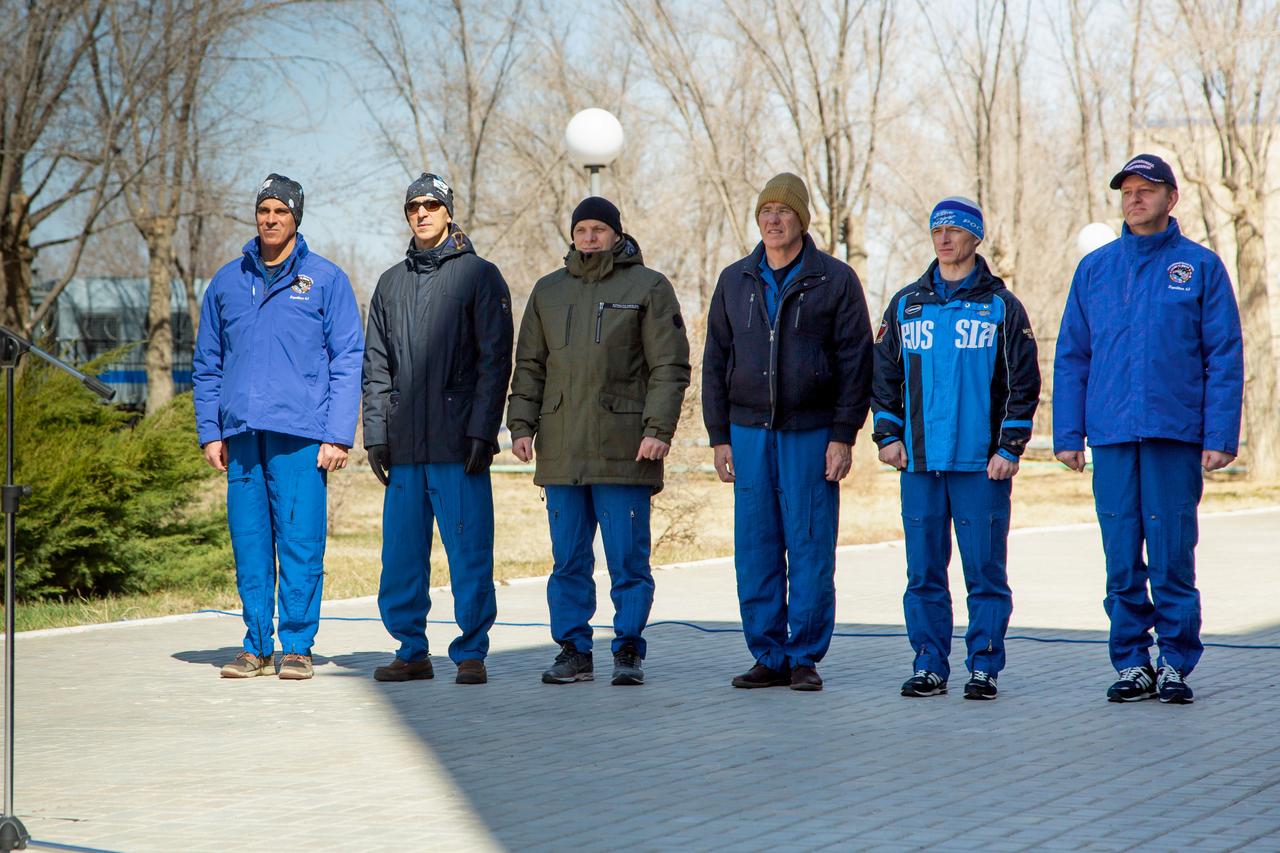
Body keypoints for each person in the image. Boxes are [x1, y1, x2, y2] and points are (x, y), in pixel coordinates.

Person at [1054, 154, 1243, 705]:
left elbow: (1224, 357)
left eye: (1147, 190)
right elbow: (1072, 356)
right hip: (1112, 434)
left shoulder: (1200, 267)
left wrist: (1219, 434)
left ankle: (1176, 662)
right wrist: (1068, 433)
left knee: (1170, 550)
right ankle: (1132, 661)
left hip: (1173, 431)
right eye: (1127, 191)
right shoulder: (1096, 269)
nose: (1135, 199)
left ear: (1171, 199)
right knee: (1120, 554)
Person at [507, 197, 690, 686]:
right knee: (568, 559)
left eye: (599, 230)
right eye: (582, 229)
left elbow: (668, 368)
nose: (590, 237)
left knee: (628, 559)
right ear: (572, 235)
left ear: (615, 234)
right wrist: (521, 425)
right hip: (562, 448)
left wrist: (657, 431)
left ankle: (628, 648)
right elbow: (529, 366)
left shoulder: (647, 287)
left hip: (625, 447)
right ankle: (573, 650)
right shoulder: (548, 291)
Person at [702, 172, 873, 692]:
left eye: (784, 211)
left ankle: (804, 655)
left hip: (812, 433)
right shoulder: (735, 279)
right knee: (755, 546)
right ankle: (768, 654)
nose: (773, 220)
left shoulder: (835, 279)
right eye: (765, 212)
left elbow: (856, 363)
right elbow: (715, 361)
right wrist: (719, 435)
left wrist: (844, 433)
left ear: (802, 219)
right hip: (748, 432)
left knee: (809, 544)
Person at [193, 173, 364, 681]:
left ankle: (296, 645)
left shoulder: (325, 280)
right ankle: (255, 644)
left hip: (302, 434)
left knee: (300, 541)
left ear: (296, 219)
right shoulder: (227, 281)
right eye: (264, 211)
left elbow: (347, 359)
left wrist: (337, 434)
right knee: (249, 542)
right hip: (242, 435)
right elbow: (207, 362)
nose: (271, 220)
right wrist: (210, 431)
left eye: (281, 212)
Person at [872, 196, 1040, 701]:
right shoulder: (906, 304)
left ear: (975, 238)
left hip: (979, 466)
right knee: (923, 571)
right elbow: (883, 375)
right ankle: (928, 664)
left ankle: (984, 667)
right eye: (936, 230)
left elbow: (1024, 382)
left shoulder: (1001, 307)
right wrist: (888, 435)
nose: (943, 238)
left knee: (984, 572)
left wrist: (1009, 446)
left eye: (954, 230)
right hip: (919, 464)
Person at [362, 173, 513, 686]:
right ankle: (411, 650)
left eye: (431, 204)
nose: (422, 213)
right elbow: (376, 366)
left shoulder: (480, 276)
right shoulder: (390, 283)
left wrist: (482, 430)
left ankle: (471, 651)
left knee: (469, 550)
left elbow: (496, 361)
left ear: (449, 211)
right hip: (405, 444)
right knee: (401, 556)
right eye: (413, 207)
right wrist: (376, 434)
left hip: (457, 443)